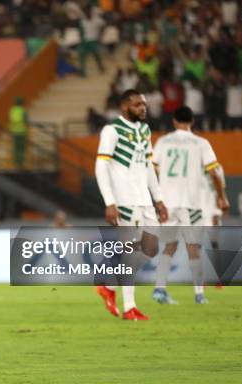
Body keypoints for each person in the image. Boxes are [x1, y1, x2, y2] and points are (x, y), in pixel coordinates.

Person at [95, 89, 168, 321]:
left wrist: (158, 199)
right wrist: (110, 202)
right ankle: (129, 308)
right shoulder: (112, 130)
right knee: (130, 251)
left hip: (144, 201)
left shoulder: (144, 130)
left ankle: (109, 287)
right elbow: (101, 166)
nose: (143, 108)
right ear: (125, 107)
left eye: (144, 104)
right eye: (137, 104)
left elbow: (148, 167)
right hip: (125, 201)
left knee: (151, 248)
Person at [151, 106, 229, 305]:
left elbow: (152, 168)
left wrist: (157, 194)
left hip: (168, 202)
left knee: (169, 245)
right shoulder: (201, 143)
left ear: (174, 122)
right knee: (193, 247)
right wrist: (221, 197)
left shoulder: (162, 141)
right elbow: (214, 172)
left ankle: (159, 290)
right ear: (192, 121)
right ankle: (199, 294)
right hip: (191, 202)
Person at [9, 97, 28, 169]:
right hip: (22, 132)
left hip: (14, 131)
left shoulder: (12, 110)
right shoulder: (23, 111)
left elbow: (11, 119)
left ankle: (15, 163)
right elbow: (26, 121)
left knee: (15, 148)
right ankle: (21, 163)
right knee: (21, 148)